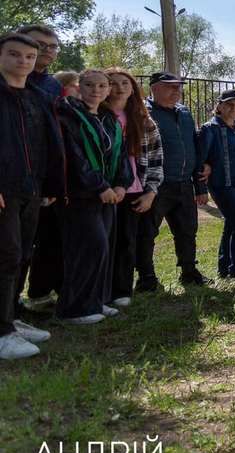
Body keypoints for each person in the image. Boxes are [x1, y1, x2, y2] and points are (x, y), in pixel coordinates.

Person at [0, 33, 63, 359]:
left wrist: (50, 186)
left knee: (23, 253)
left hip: (32, 188)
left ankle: (10, 317)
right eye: (14, 54)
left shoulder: (37, 97)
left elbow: (46, 143)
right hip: (5, 190)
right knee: (6, 255)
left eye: (29, 56)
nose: (23, 61)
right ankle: (2, 332)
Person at [57, 69, 132, 323]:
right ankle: (75, 309)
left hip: (108, 194)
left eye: (102, 86)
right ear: (79, 87)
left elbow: (120, 155)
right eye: (89, 85)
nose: (96, 91)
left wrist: (121, 184)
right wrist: (99, 186)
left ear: (108, 90)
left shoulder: (109, 119)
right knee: (90, 247)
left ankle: (97, 300)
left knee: (104, 248)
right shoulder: (69, 116)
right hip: (81, 194)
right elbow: (75, 157)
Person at [140, 73, 208, 288]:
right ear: (154, 88)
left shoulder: (184, 112)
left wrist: (199, 186)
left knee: (187, 230)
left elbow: (194, 146)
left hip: (184, 183)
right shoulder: (143, 112)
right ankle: (147, 277)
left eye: (178, 87)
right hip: (156, 185)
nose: (176, 91)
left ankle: (189, 272)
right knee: (147, 232)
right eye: (170, 87)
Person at [103, 68, 163, 308]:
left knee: (127, 241)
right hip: (103, 189)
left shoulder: (144, 120)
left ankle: (121, 290)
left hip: (135, 189)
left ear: (133, 89)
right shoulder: (97, 115)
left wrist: (151, 192)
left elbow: (157, 159)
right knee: (103, 242)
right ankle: (100, 291)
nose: (119, 88)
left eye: (125, 84)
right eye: (113, 83)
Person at [197, 90, 235, 280]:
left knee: (232, 224)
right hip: (223, 184)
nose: (234, 108)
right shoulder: (210, 129)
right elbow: (200, 160)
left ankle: (224, 269)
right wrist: (200, 188)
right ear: (219, 106)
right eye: (229, 104)